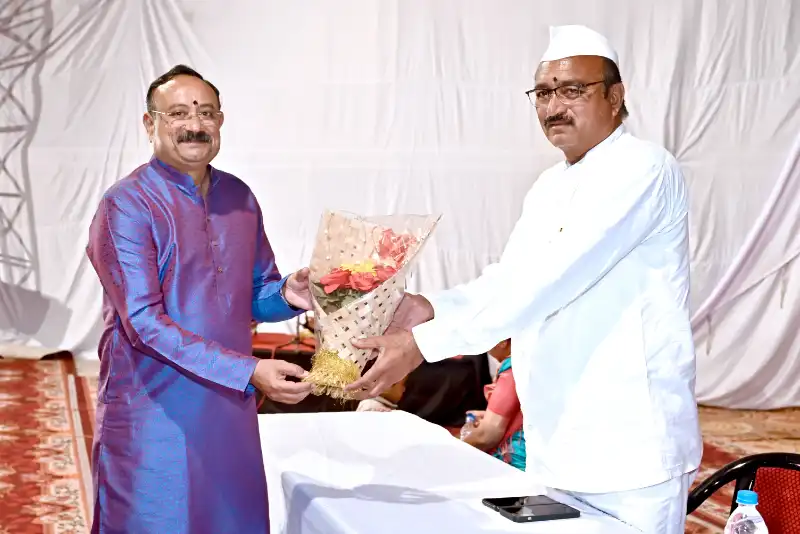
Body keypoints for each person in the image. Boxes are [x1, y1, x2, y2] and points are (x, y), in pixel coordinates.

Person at [347, 25, 702, 534]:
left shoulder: (643, 168)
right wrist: (430, 308)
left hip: (628, 447)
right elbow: (510, 279)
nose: (554, 106)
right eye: (544, 93)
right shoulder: (549, 185)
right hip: (555, 441)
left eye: (572, 90)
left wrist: (423, 344)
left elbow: (549, 281)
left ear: (615, 96)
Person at [85, 64, 315, 533]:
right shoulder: (127, 204)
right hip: (154, 411)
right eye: (177, 114)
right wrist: (248, 371)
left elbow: (254, 294)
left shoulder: (239, 197)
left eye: (206, 113)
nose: (194, 124)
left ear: (220, 122)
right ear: (149, 124)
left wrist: (290, 293)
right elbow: (143, 324)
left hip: (228, 410)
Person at [462, 340, 526, 471]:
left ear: (502, 342)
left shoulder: (513, 370)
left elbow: (486, 436)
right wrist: (488, 416)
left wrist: (457, 445)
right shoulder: (532, 362)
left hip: (516, 465)